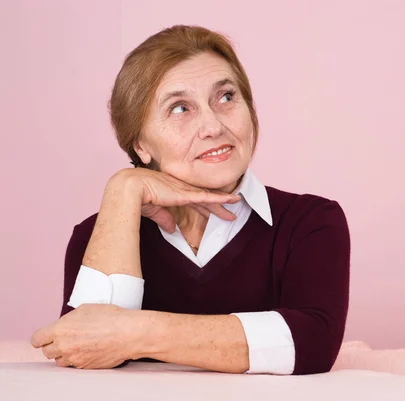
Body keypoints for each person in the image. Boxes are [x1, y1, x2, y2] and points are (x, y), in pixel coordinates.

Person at [29, 25, 351, 375]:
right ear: (141, 145)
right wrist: (123, 189)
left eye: (226, 97)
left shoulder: (310, 222)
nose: (213, 126)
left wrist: (134, 333)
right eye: (180, 108)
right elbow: (84, 350)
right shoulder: (95, 234)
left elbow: (312, 343)